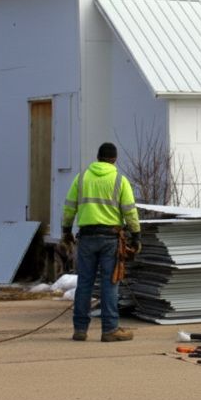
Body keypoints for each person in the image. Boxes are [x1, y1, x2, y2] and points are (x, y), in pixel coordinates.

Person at [61, 142, 141, 342]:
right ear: (114, 159)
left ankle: (80, 329)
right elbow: (130, 211)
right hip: (111, 239)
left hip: (86, 237)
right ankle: (110, 329)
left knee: (85, 283)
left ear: (97, 157)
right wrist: (136, 235)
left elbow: (69, 207)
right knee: (110, 283)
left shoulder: (81, 178)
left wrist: (66, 230)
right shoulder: (119, 180)